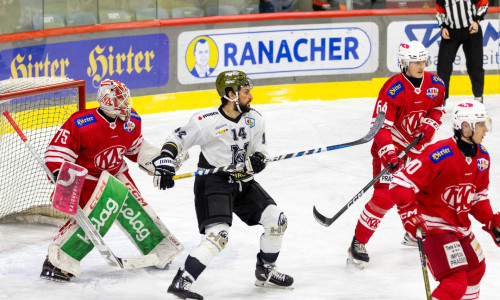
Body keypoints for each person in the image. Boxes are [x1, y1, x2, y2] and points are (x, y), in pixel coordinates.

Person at [153, 70, 293, 299]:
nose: (251, 96)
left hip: (244, 182)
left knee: (277, 220)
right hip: (214, 182)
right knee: (219, 235)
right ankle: (182, 281)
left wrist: (259, 161)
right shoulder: (206, 122)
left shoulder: (255, 119)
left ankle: (265, 271)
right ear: (231, 95)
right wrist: (166, 163)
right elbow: (177, 138)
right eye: (246, 92)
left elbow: (261, 153)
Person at [41, 79, 183, 281]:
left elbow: (136, 147)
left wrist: (159, 163)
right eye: (120, 100)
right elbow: (58, 152)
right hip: (88, 179)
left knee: (137, 209)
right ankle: (57, 262)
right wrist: (59, 173)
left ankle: (160, 250)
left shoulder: (131, 121)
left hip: (116, 174)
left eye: (126, 100)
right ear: (108, 102)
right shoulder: (81, 123)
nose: (126, 105)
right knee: (94, 221)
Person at [347, 41, 446, 269]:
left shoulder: (436, 84)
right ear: (404, 63)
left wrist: (429, 126)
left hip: (416, 150)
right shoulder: (393, 89)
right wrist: (390, 154)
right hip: (390, 149)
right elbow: (380, 128)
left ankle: (413, 233)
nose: (421, 66)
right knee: (384, 197)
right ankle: (357, 243)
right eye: (416, 62)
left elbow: (437, 109)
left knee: (425, 192)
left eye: (423, 61)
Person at [390, 100, 496, 300]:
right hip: (434, 226)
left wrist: (491, 222)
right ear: (466, 126)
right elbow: (401, 182)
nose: (486, 129)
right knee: (454, 282)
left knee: (476, 270)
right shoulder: (440, 154)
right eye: (481, 124)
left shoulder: (483, 157)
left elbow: (477, 198)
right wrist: (409, 214)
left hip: (460, 227)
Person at [436, 0, 489, 104]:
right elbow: (440, 12)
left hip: (471, 30)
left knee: (475, 65)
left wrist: (476, 21)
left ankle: (478, 97)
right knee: (443, 65)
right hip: (451, 32)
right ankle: (441, 99)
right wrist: (443, 27)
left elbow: (484, 4)